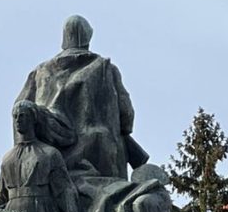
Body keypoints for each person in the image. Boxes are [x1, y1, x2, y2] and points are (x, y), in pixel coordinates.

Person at [14, 14, 146, 181]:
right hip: (101, 158)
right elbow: (126, 117)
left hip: (47, 159)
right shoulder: (105, 68)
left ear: (64, 39)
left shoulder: (39, 72)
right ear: (87, 38)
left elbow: (19, 109)